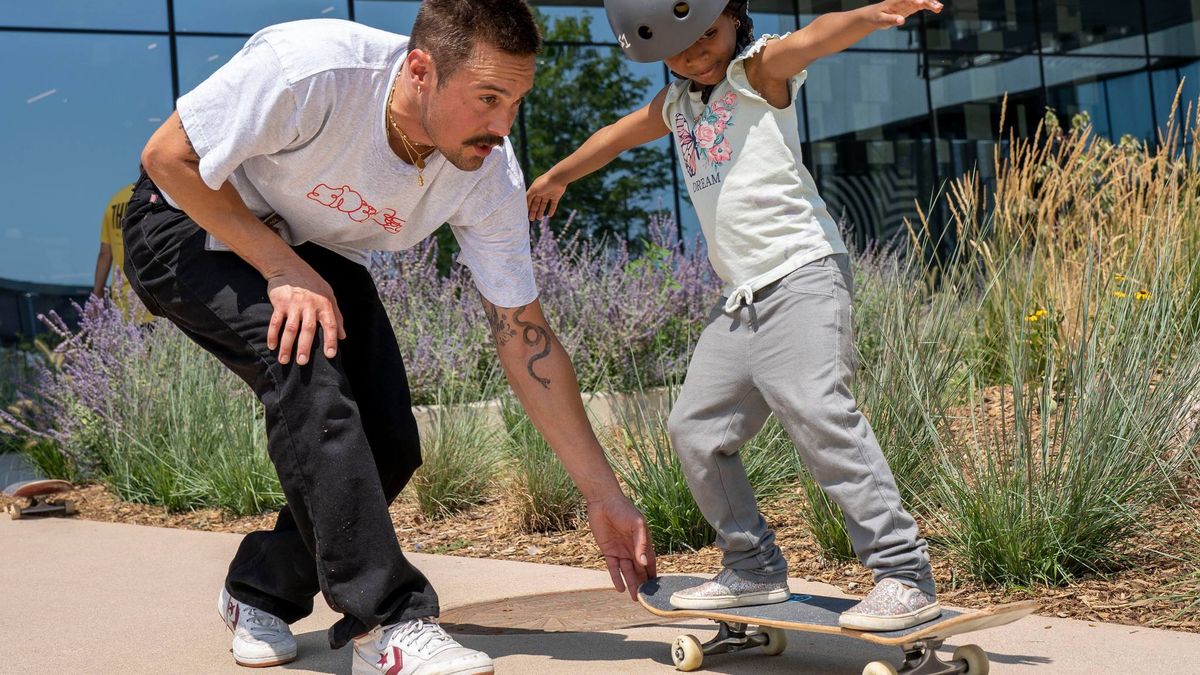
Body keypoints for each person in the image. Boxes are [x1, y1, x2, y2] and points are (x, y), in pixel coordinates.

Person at [124, 2, 655, 673]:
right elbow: (167, 156)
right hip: (183, 221)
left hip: (302, 242)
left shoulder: (487, 171)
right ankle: (387, 622)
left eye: (517, 101)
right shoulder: (311, 70)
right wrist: (281, 267)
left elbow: (525, 337)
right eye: (488, 97)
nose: (503, 125)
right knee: (306, 363)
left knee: (390, 442)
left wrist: (603, 494)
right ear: (420, 70)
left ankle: (257, 588)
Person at [527, 0, 943, 632]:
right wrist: (558, 173)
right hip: (739, 303)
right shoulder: (675, 107)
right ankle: (751, 568)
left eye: (708, 35)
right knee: (695, 432)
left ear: (735, 22)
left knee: (815, 406)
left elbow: (812, 39)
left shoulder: (757, 72)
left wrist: (869, 16)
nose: (696, 53)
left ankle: (903, 574)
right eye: (680, 46)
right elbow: (615, 137)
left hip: (802, 275)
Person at [92, 183, 134, 302]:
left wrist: (97, 294)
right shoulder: (156, 198)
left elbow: (105, 254)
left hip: (121, 296)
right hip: (153, 297)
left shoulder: (115, 201)